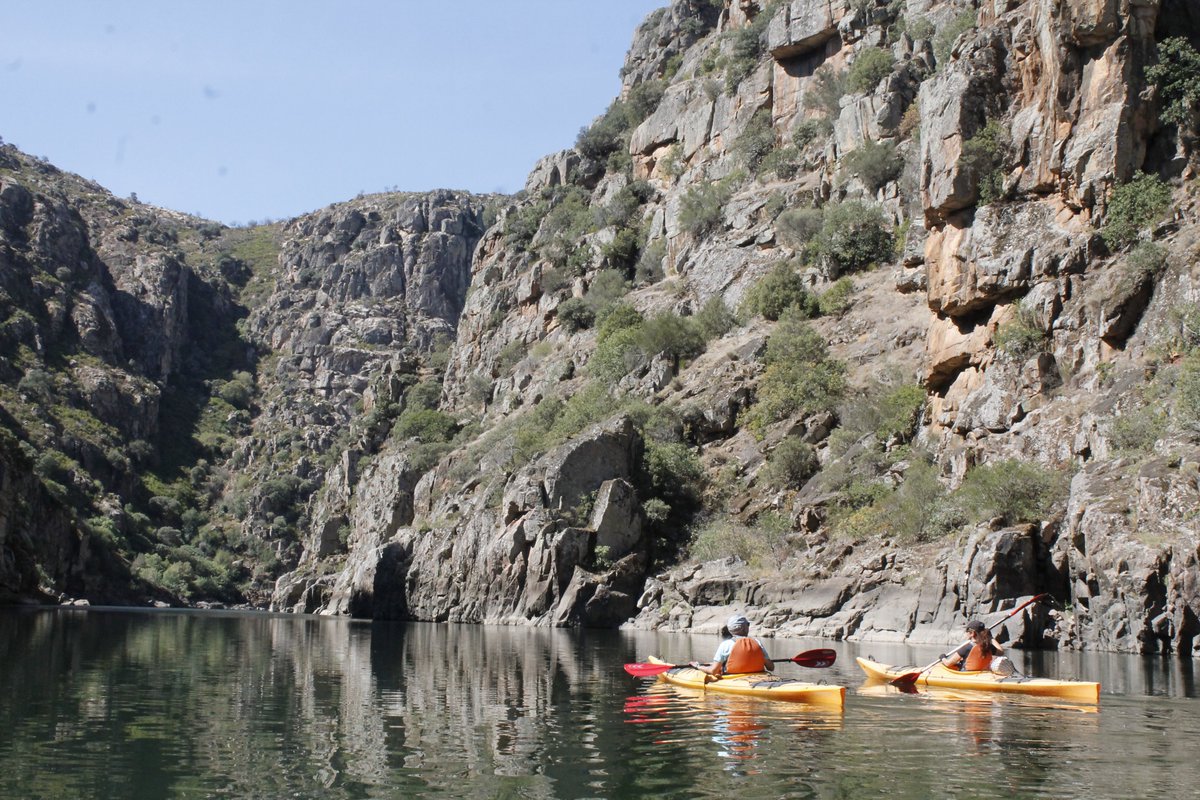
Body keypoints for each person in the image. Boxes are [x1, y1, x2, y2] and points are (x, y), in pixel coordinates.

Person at [689, 614, 774, 676]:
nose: (748, 627)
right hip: (758, 677)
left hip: (733, 678)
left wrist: (698, 666)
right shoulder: (757, 642)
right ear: (744, 628)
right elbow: (770, 667)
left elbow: (713, 671)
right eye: (748, 624)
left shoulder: (725, 645)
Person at [942, 620, 1016, 676]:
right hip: (983, 673)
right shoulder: (988, 646)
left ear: (972, 633)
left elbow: (948, 663)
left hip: (967, 674)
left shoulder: (966, 647)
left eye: (967, 631)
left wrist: (942, 658)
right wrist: (991, 638)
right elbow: (1001, 651)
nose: (966, 633)